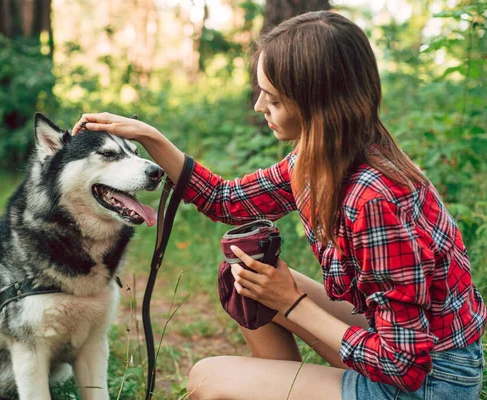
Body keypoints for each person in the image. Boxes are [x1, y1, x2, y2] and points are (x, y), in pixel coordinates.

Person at [72, 11, 486, 400]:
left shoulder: (373, 198)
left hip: (430, 383)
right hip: (405, 349)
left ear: (315, 103)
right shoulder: (320, 159)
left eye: (273, 99)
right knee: (244, 275)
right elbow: (224, 200)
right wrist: (152, 138)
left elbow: (405, 364)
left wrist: (292, 302)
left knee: (206, 379)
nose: (259, 107)